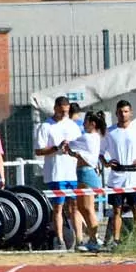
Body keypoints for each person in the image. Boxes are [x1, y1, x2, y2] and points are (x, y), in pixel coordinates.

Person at [103, 99, 136, 246]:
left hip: (135, 175)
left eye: (126, 111)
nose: (123, 114)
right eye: (120, 112)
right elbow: (100, 152)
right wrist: (105, 163)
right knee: (117, 210)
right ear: (116, 113)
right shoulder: (110, 131)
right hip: (117, 175)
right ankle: (116, 239)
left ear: (131, 113)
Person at [35, 94, 83, 247]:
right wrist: (56, 148)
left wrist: (73, 150)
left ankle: (79, 240)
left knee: (75, 206)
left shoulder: (73, 126)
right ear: (55, 109)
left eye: (67, 111)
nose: (64, 114)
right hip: (56, 173)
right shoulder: (46, 126)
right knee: (58, 207)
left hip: (72, 172)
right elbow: (39, 150)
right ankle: (60, 240)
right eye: (61, 111)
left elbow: (80, 147)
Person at [66, 111, 106, 252]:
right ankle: (92, 238)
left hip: (87, 173)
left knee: (88, 208)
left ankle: (95, 238)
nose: (83, 124)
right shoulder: (93, 137)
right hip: (83, 173)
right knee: (82, 207)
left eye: (85, 122)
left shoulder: (88, 137)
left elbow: (70, 145)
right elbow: (73, 151)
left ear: (92, 124)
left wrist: (68, 147)